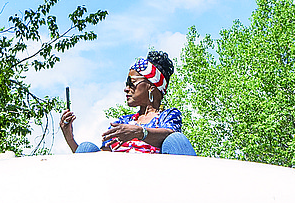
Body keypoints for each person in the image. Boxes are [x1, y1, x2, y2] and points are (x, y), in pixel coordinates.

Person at [60, 51, 196, 156]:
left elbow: (170, 135)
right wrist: (70, 138)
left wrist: (140, 133)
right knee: (86, 148)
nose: (126, 89)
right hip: (121, 179)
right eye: (126, 84)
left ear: (151, 87)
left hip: (156, 178)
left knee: (176, 139)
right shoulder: (123, 122)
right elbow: (99, 160)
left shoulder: (167, 116)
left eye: (132, 83)